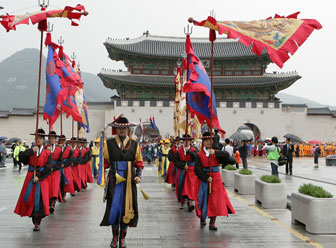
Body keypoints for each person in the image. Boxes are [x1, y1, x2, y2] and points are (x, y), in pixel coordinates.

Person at [100, 115, 143, 248]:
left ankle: (122, 238)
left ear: (128, 130)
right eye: (119, 129)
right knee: (114, 207)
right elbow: (105, 162)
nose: (121, 131)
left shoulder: (135, 144)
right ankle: (114, 238)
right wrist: (100, 173)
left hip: (129, 179)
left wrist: (138, 175)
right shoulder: (109, 143)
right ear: (116, 130)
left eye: (124, 129)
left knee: (127, 208)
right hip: (114, 179)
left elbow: (139, 163)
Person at [194, 131, 236, 230]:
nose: (208, 143)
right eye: (206, 141)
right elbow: (197, 169)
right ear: (203, 142)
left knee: (215, 201)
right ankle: (202, 218)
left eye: (210, 140)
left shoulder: (217, 152)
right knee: (203, 199)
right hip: (204, 180)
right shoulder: (199, 154)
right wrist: (205, 177)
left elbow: (228, 157)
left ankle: (212, 222)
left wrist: (216, 153)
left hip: (216, 180)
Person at [14, 129, 52, 231]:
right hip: (30, 178)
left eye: (40, 138)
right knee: (30, 199)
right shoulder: (31, 151)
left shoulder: (47, 153)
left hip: (41, 179)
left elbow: (48, 168)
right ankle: (33, 218)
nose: (38, 140)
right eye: (37, 138)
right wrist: (31, 151)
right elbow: (21, 158)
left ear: (44, 140)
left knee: (39, 200)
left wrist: (39, 177)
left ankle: (37, 221)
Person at [174, 134, 197, 212]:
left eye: (188, 141)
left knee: (190, 186)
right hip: (182, 170)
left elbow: (196, 157)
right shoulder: (179, 150)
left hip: (191, 170)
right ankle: (182, 201)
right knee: (181, 185)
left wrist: (189, 152)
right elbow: (175, 161)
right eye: (185, 141)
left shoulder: (194, 150)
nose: (187, 143)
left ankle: (190, 202)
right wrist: (183, 165)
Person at [47, 131, 63, 213]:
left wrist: (55, 168)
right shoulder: (45, 148)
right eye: (50, 138)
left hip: (55, 171)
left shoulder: (59, 149)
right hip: (47, 171)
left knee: (54, 188)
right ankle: (48, 203)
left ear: (55, 139)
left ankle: (52, 204)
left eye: (53, 138)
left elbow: (60, 162)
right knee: (48, 188)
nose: (52, 140)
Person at [59, 135, 74, 202]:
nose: (62, 142)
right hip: (58, 167)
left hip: (66, 168)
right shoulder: (57, 148)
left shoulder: (69, 150)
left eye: (63, 140)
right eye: (60, 140)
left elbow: (70, 160)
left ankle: (63, 195)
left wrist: (64, 165)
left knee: (65, 182)